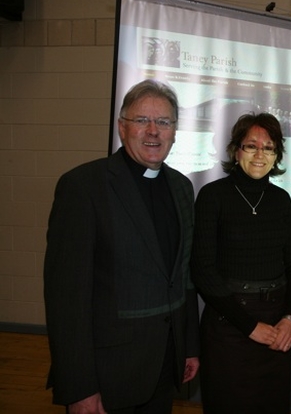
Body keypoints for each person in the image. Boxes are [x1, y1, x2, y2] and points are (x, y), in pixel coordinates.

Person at [43, 79, 200, 413]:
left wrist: (188, 346)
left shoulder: (182, 188)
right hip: (108, 376)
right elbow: (66, 300)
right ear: (122, 127)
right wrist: (79, 388)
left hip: (163, 368)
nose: (153, 131)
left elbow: (182, 277)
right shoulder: (84, 187)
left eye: (164, 122)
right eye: (142, 120)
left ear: (174, 131)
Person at [190, 112, 291, 414]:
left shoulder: (281, 199)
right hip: (229, 325)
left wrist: (290, 319)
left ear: (277, 154)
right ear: (235, 150)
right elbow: (202, 269)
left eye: (269, 147)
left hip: (277, 325)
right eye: (251, 145)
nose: (260, 154)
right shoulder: (212, 196)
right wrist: (249, 326)